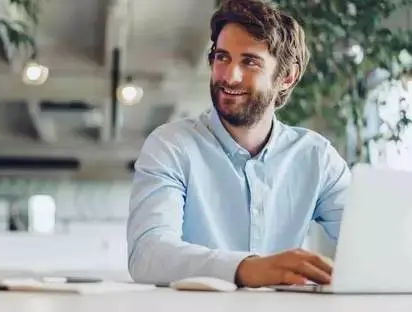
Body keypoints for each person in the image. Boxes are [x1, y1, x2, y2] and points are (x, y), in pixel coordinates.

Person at [127, 0, 350, 288]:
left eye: (249, 61)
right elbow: (148, 254)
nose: (229, 76)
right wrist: (246, 269)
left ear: (287, 76)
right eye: (222, 58)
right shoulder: (171, 146)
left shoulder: (317, 157)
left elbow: (371, 242)